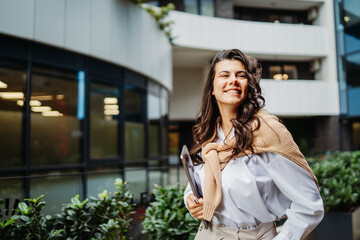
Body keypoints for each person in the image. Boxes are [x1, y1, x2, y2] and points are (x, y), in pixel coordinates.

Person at [184, 49, 324, 240]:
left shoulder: (268, 133)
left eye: (240, 75)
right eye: (225, 75)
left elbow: (310, 204)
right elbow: (202, 180)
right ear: (212, 88)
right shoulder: (209, 134)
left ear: (248, 85)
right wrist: (190, 199)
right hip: (207, 233)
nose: (233, 80)